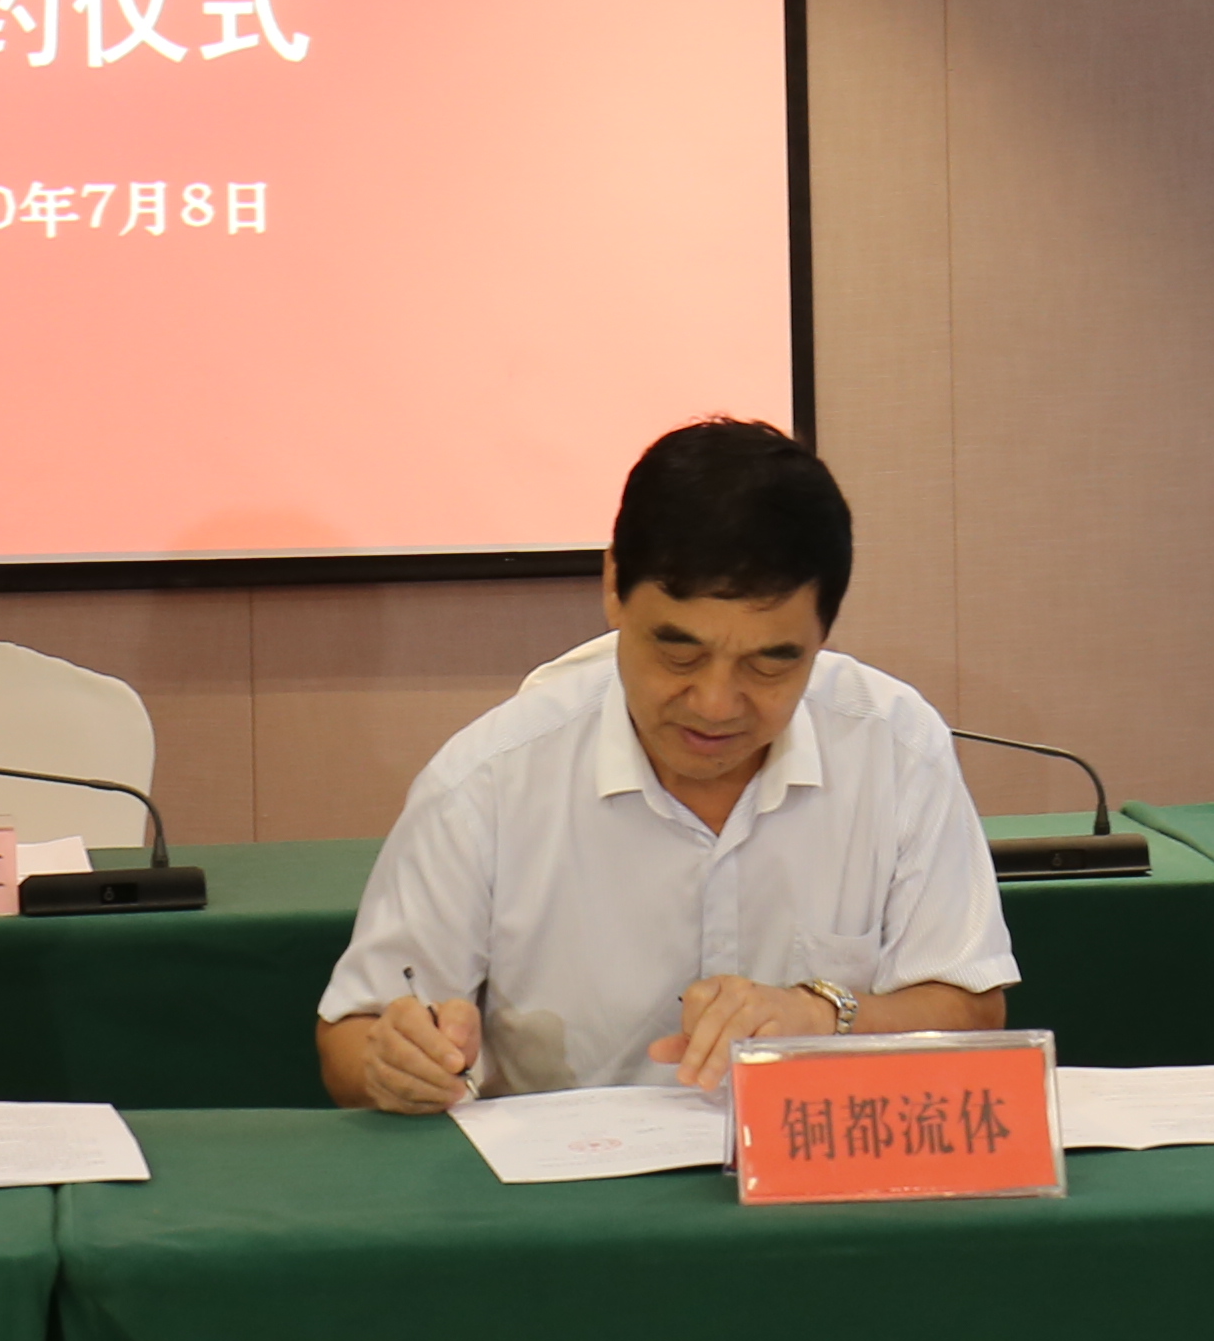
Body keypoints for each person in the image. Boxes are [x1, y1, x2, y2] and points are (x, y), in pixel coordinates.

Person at [316, 419, 1016, 1110]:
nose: (715, 704)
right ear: (614, 586)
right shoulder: (487, 783)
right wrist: (396, 1062)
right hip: (568, 1179)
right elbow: (351, 1038)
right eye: (680, 654)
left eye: (769, 664)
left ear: (823, 631)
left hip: (817, 1167)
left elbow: (971, 1010)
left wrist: (820, 1014)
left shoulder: (894, 747)